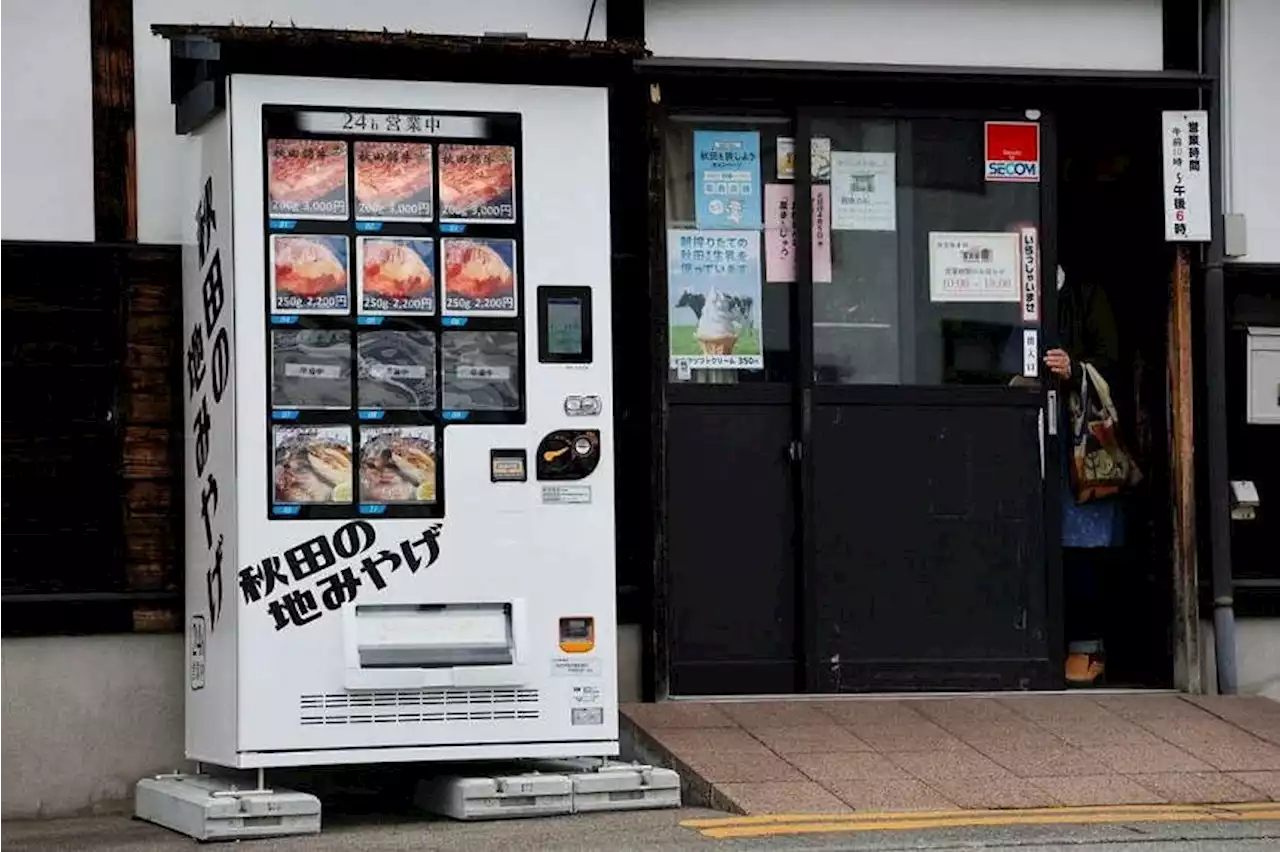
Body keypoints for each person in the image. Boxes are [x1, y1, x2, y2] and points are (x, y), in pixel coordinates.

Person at [1045, 263, 1125, 686]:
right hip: (1028, 433)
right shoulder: (1005, 292)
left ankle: (1087, 648)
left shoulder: (1086, 293)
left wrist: (1074, 369)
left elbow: (1110, 360)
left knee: (1081, 544)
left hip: (1079, 440)